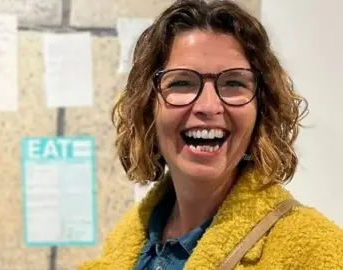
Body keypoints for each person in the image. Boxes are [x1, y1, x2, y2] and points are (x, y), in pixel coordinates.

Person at [79, 0, 343, 269]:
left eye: (233, 83)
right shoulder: (126, 248)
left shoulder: (314, 253)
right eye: (182, 82)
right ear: (148, 107)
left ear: (262, 108)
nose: (208, 106)